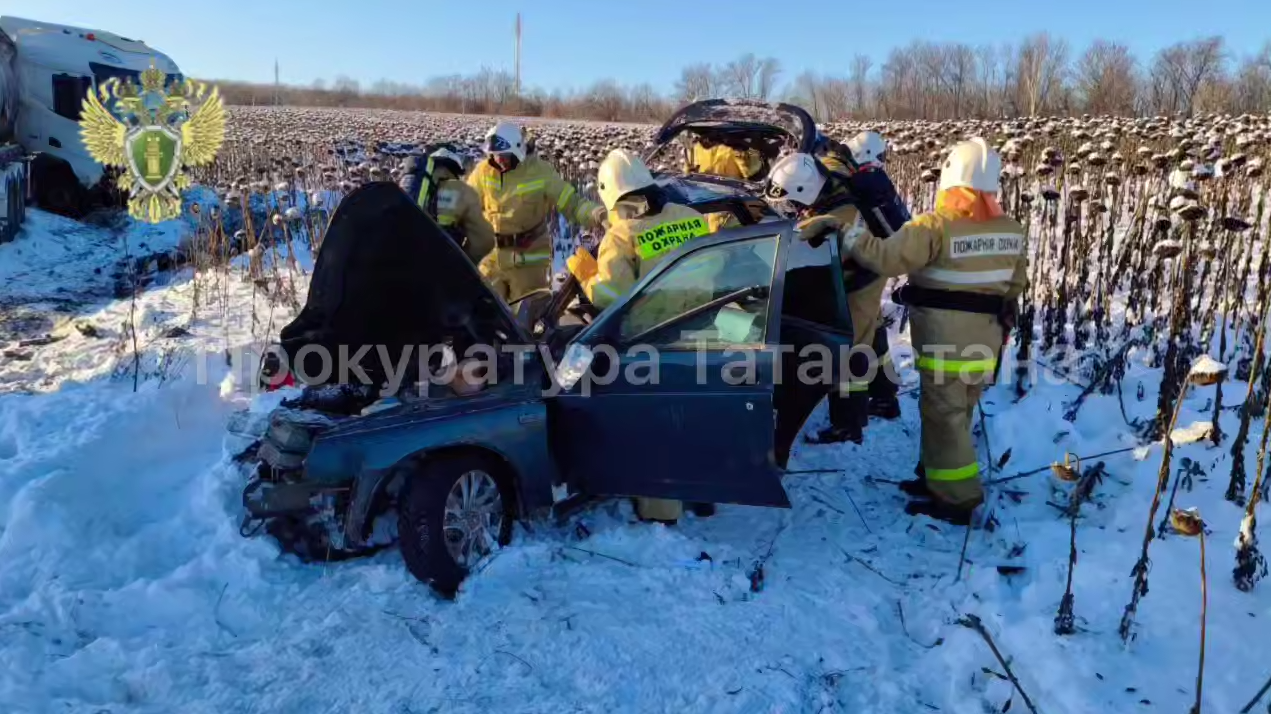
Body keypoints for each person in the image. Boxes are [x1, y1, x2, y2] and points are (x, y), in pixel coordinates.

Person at [837, 137, 1028, 525]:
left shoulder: (935, 226)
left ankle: (955, 500)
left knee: (945, 417)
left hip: (946, 342)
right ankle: (932, 478)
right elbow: (1014, 286)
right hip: (987, 341)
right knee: (955, 414)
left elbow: (886, 258)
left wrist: (848, 234)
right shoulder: (1011, 229)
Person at [565, 148, 713, 526]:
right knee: (693, 419)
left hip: (650, 340)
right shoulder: (692, 216)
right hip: (701, 329)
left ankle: (660, 514)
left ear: (611, 196)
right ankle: (705, 492)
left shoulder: (623, 234)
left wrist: (585, 274)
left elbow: (614, 299)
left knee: (653, 429)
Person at [765, 144, 908, 445]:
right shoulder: (831, 177)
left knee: (850, 350)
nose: (790, 208)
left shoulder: (834, 216)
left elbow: (815, 258)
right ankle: (886, 398)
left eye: (792, 202)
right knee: (873, 332)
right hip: (868, 268)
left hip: (860, 278)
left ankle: (848, 424)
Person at [467, 121, 606, 302]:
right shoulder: (483, 171)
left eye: (504, 156)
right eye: (494, 155)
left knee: (526, 321)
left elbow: (571, 202)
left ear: (518, 150)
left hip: (529, 261)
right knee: (484, 314)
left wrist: (598, 214)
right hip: (492, 257)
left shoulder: (541, 172)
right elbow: (466, 201)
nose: (498, 160)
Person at [399, 146, 494, 264]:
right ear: (456, 169)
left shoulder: (408, 188)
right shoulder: (462, 191)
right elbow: (484, 240)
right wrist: (465, 263)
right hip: (441, 267)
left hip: (401, 261)